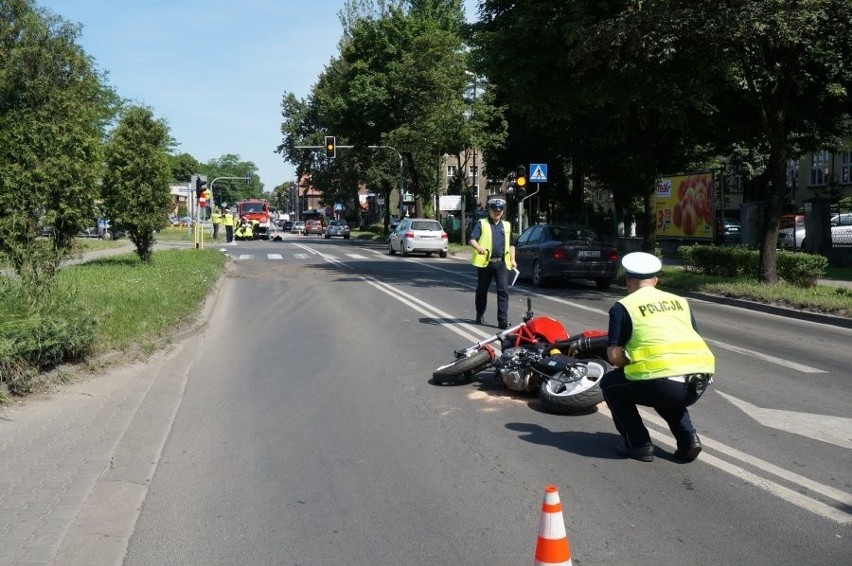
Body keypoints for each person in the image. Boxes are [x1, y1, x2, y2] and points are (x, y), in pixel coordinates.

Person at [601, 252, 715, 463]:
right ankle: (688, 439)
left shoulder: (623, 307)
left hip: (664, 382)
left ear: (628, 282)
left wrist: (629, 363)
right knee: (661, 386)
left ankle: (639, 444)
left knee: (610, 384)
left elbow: (614, 356)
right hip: (698, 381)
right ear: (655, 281)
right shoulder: (680, 301)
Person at [469, 196, 517, 329]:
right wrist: (479, 248)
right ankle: (480, 312)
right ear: (489, 209)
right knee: (482, 290)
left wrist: (513, 259)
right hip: (486, 263)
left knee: (503, 291)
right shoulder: (482, 223)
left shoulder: (506, 225)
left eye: (500, 210)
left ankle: (502, 321)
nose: (497, 212)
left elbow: (512, 244)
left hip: (501, 263)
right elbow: (472, 239)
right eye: (495, 210)